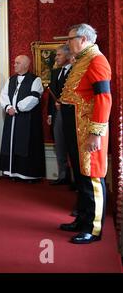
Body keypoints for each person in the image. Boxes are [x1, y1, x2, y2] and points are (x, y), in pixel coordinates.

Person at [59, 24, 112, 244]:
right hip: (75, 127)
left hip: (89, 129)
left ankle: (93, 227)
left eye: (70, 39)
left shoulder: (97, 60)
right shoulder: (82, 60)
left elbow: (103, 98)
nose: (68, 43)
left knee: (92, 177)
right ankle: (82, 219)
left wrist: (95, 133)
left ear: (82, 39)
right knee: (81, 177)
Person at [0, 55, 45, 182]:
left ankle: (27, 174)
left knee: (26, 143)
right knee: (12, 142)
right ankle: (12, 172)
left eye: (17, 63)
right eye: (15, 63)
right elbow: (4, 94)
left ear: (26, 65)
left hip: (27, 118)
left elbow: (34, 98)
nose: (14, 65)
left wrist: (18, 108)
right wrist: (8, 107)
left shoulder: (35, 80)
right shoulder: (11, 79)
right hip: (11, 116)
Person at [47, 45, 73, 186]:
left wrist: (64, 104)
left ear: (68, 56)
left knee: (72, 146)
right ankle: (63, 175)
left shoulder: (76, 71)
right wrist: (50, 113)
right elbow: (52, 95)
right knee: (60, 145)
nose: (56, 58)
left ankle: (75, 179)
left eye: (58, 55)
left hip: (72, 114)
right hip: (57, 114)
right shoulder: (55, 72)